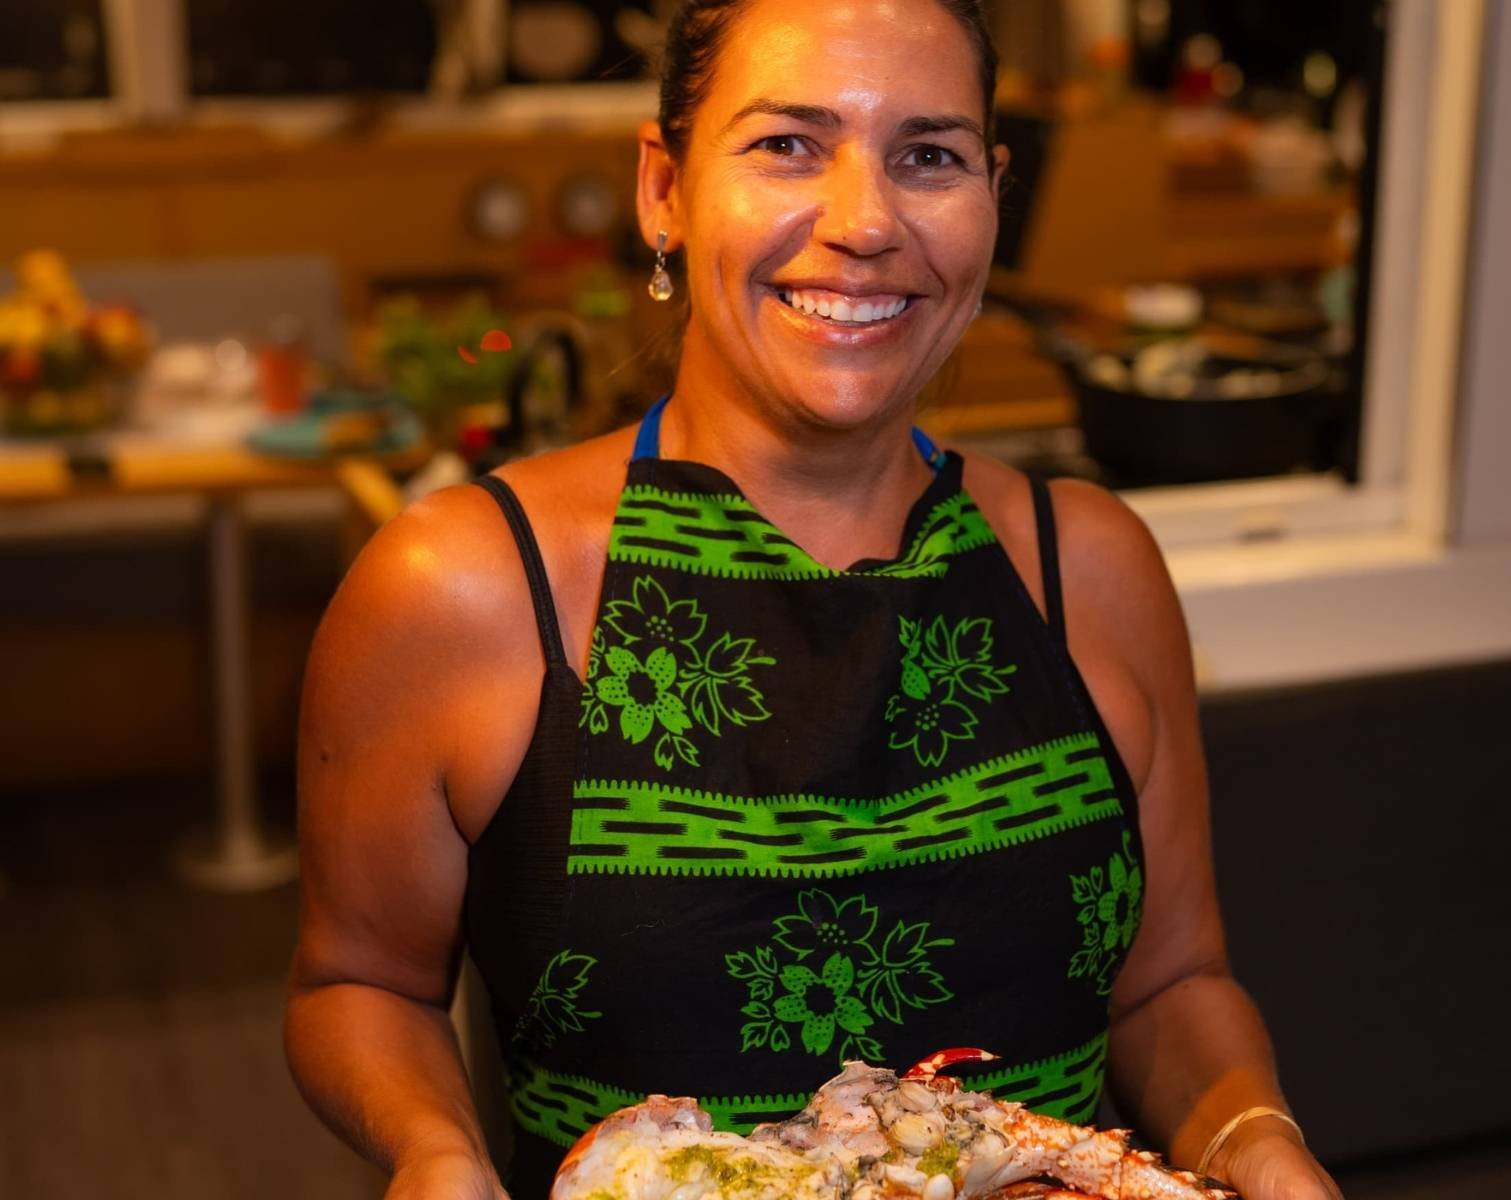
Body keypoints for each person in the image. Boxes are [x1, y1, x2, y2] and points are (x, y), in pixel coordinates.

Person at [285, 2, 1344, 1198]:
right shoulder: (467, 586)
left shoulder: (1086, 567)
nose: (866, 221)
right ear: (663, 189)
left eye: (928, 157)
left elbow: (1169, 983)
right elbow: (357, 985)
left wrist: (1254, 1135)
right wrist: (435, 1151)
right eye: (787, 144)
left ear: (993, 199)